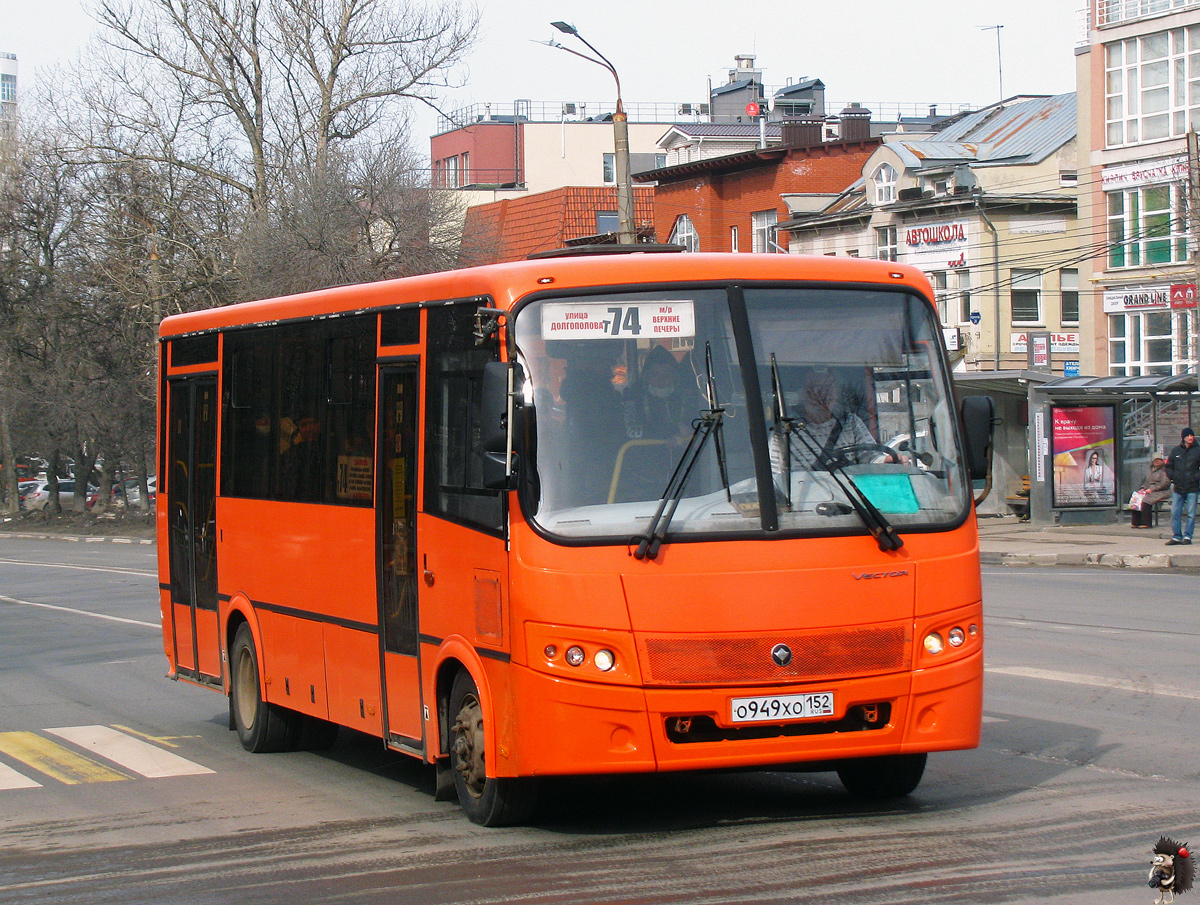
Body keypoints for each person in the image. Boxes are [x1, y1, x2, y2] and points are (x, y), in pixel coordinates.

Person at [777, 367, 899, 470]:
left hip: (847, 496)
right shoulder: (785, 430)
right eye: (816, 388)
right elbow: (774, 477)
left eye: (829, 388)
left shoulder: (850, 423)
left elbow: (871, 458)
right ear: (802, 394)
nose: (824, 394)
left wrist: (886, 462)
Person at [1165, 427, 1200, 545]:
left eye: (1192, 435)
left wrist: (1196, 476)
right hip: (1178, 487)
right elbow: (1169, 465)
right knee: (1175, 512)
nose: (1190, 437)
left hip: (1192, 487)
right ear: (1183, 437)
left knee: (1191, 513)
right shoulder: (1176, 451)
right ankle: (1176, 536)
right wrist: (1172, 476)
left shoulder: (1198, 450)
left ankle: (1188, 536)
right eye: (1188, 436)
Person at [1130, 455, 1170, 529]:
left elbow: (1165, 483)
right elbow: (1146, 482)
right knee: (1137, 499)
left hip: (1161, 491)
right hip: (1149, 490)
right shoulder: (1151, 471)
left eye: (1159, 460)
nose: (1157, 461)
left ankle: (1146, 523)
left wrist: (1152, 489)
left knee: (1146, 500)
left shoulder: (1165, 471)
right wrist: (1142, 488)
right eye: (1155, 460)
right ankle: (1136, 522)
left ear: (1162, 461)